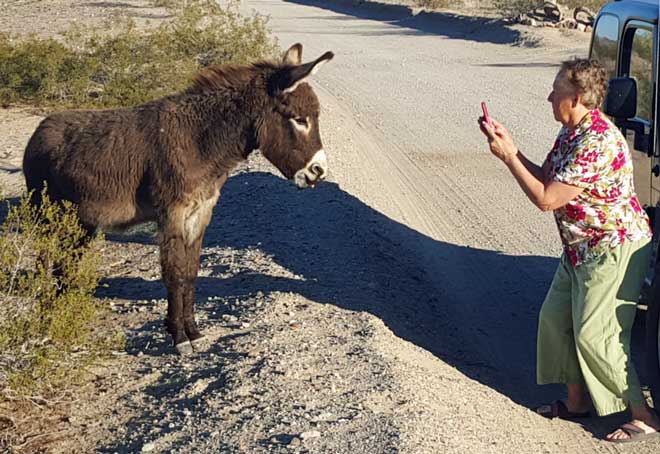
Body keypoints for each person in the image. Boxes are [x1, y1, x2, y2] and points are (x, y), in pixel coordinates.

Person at [478, 58, 660, 443]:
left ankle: (643, 416)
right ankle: (577, 402)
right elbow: (547, 176)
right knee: (556, 321)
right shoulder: (572, 133)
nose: (549, 97)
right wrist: (512, 148)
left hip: (613, 248)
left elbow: (546, 198)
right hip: (580, 247)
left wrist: (508, 158)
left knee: (599, 334)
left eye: (556, 91)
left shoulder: (595, 142)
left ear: (576, 97)